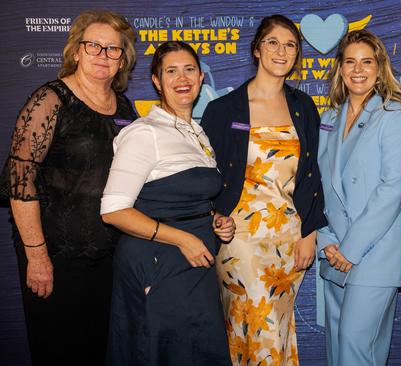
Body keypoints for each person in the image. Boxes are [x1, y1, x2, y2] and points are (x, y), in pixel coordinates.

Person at [1, 10, 137, 365]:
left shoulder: (124, 107)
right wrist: (37, 256)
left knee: (100, 352)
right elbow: (20, 181)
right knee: (59, 352)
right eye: (94, 46)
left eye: (113, 49)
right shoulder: (50, 100)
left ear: (123, 59)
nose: (103, 55)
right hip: (55, 256)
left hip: (107, 256)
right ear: (76, 51)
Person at [201, 14, 327, 365]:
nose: (281, 51)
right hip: (238, 238)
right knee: (259, 323)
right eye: (273, 42)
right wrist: (213, 217)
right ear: (257, 49)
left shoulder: (304, 107)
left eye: (290, 45)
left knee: (278, 330)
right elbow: (205, 177)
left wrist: (309, 232)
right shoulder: (222, 110)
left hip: (289, 237)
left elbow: (311, 174)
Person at [100, 41, 232, 365]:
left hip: (194, 263)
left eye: (189, 69)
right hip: (159, 262)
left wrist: (214, 219)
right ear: (157, 81)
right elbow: (113, 210)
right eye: (170, 71)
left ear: (201, 77)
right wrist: (182, 238)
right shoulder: (145, 133)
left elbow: (181, 195)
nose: (181, 78)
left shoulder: (197, 132)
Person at [316, 29, 401, 366]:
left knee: (357, 352)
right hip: (334, 251)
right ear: (340, 69)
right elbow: (321, 187)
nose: (358, 70)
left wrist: (350, 249)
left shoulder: (395, 115)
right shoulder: (329, 118)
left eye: (367, 62)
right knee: (337, 351)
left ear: (379, 67)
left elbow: (392, 189)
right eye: (350, 62)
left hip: (372, 255)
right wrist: (326, 240)